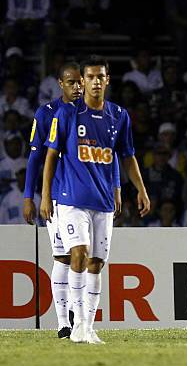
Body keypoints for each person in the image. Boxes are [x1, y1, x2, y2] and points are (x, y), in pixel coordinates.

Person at [40, 56, 151, 344]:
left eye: (100, 77)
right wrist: (44, 196)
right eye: (90, 77)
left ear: (107, 80)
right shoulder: (66, 114)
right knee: (79, 253)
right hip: (70, 200)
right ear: (83, 80)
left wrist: (139, 189)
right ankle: (75, 324)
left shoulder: (118, 115)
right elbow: (50, 157)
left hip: (102, 201)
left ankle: (88, 327)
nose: (95, 82)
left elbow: (126, 157)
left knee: (97, 263)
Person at [23, 62, 118, 338]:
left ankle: (78, 321)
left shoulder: (90, 113)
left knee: (79, 256)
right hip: (57, 197)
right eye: (72, 82)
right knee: (63, 256)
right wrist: (32, 196)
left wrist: (115, 186)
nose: (78, 87)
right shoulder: (48, 113)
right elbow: (36, 158)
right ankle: (64, 321)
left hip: (84, 198)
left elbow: (107, 154)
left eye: (80, 82)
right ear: (60, 84)